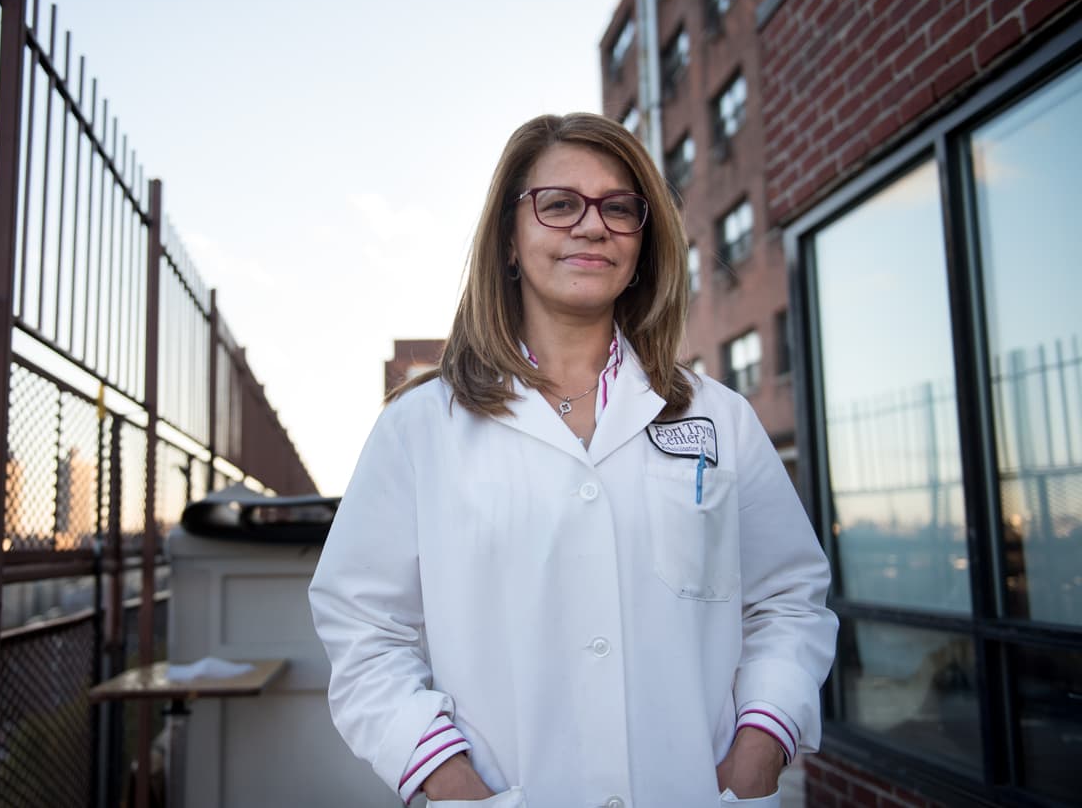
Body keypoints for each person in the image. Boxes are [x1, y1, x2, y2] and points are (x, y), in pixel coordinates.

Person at [309, 113, 837, 807]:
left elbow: (787, 600)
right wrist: (450, 781)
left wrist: (757, 756)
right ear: (508, 239)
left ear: (642, 244)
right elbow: (364, 629)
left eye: (619, 208)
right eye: (558, 205)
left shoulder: (720, 418)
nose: (592, 226)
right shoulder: (420, 428)